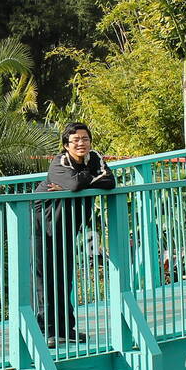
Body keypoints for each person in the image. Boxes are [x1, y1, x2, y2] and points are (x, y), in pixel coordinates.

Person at [31, 122, 115, 347]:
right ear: (66, 145)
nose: (81, 143)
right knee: (44, 278)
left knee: (63, 277)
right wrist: (84, 180)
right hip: (42, 226)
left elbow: (110, 181)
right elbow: (75, 184)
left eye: (85, 139)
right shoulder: (59, 163)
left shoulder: (94, 156)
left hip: (67, 226)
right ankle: (45, 332)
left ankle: (65, 329)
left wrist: (77, 182)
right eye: (76, 140)